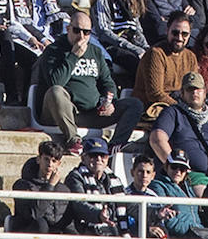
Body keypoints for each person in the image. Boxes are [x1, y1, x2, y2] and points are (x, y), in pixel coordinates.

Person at [35, 11, 143, 155]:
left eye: (86, 32)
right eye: (76, 30)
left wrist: (108, 101)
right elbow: (56, 81)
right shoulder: (53, 50)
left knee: (135, 104)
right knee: (55, 91)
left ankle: (116, 145)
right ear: (68, 29)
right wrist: (73, 56)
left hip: (92, 113)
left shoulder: (95, 52)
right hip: (63, 113)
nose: (81, 36)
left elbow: (108, 82)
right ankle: (73, 140)